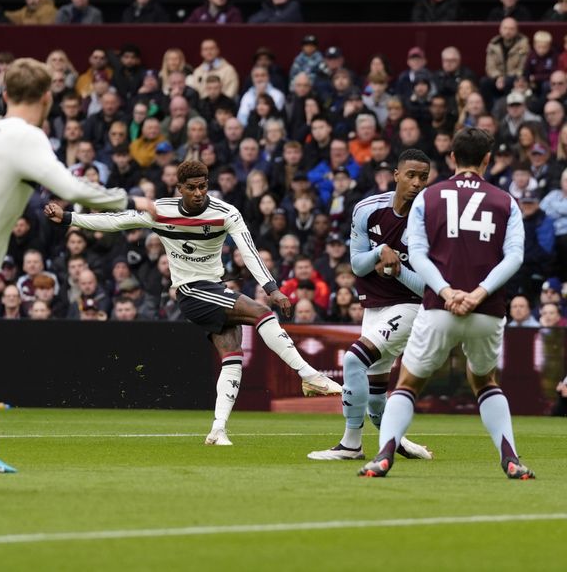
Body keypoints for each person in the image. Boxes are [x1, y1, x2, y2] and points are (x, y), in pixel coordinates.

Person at [44, 160, 342, 446]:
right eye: (192, 188)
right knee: (261, 312)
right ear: (180, 188)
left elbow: (249, 251)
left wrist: (271, 286)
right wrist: (70, 217)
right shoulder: (161, 211)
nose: (199, 193)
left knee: (232, 357)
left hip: (214, 288)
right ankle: (309, 375)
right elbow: (117, 221)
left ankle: (218, 430)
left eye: (203, 187)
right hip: (190, 291)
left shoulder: (226, 213)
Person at [0, 58, 152, 473]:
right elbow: (70, 188)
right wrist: (135, 202)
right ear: (48, 97)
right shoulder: (24, 136)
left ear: (4, 95)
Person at [358, 128, 533, 479]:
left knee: (407, 383)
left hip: (440, 306)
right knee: (485, 381)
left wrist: (447, 291)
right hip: (486, 310)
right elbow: (514, 257)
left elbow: (418, 255)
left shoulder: (429, 197)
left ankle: (383, 456)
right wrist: (480, 293)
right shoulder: (505, 201)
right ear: (487, 159)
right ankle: (510, 457)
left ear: (452, 157)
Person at [307, 150, 434, 461]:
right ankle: (399, 443)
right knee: (376, 398)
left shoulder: (431, 220)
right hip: (374, 307)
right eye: (411, 175)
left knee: (353, 361)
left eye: (423, 177)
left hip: (412, 306)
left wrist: (397, 269)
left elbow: (430, 288)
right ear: (396, 175)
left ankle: (351, 445)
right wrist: (380, 253)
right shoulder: (367, 208)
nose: (417, 183)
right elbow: (357, 265)